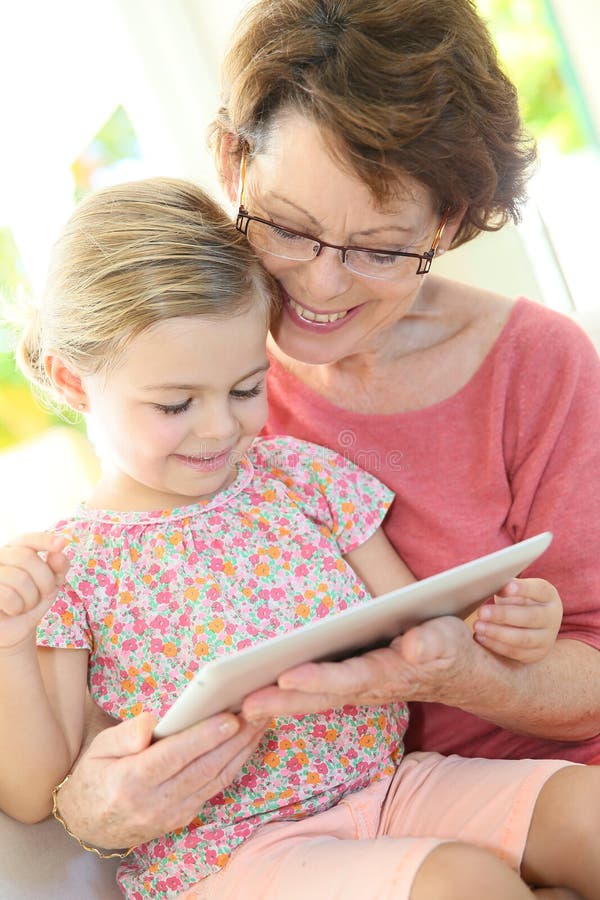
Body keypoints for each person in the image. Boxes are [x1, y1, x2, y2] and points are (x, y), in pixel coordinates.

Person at [26, 0, 600, 880]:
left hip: (474, 780)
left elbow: (556, 654)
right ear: (232, 162)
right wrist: (94, 807)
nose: (318, 285)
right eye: (288, 227)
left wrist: (482, 661)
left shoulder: (536, 368)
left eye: (378, 247)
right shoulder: (185, 352)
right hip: (287, 846)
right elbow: (64, 759)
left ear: (444, 228)